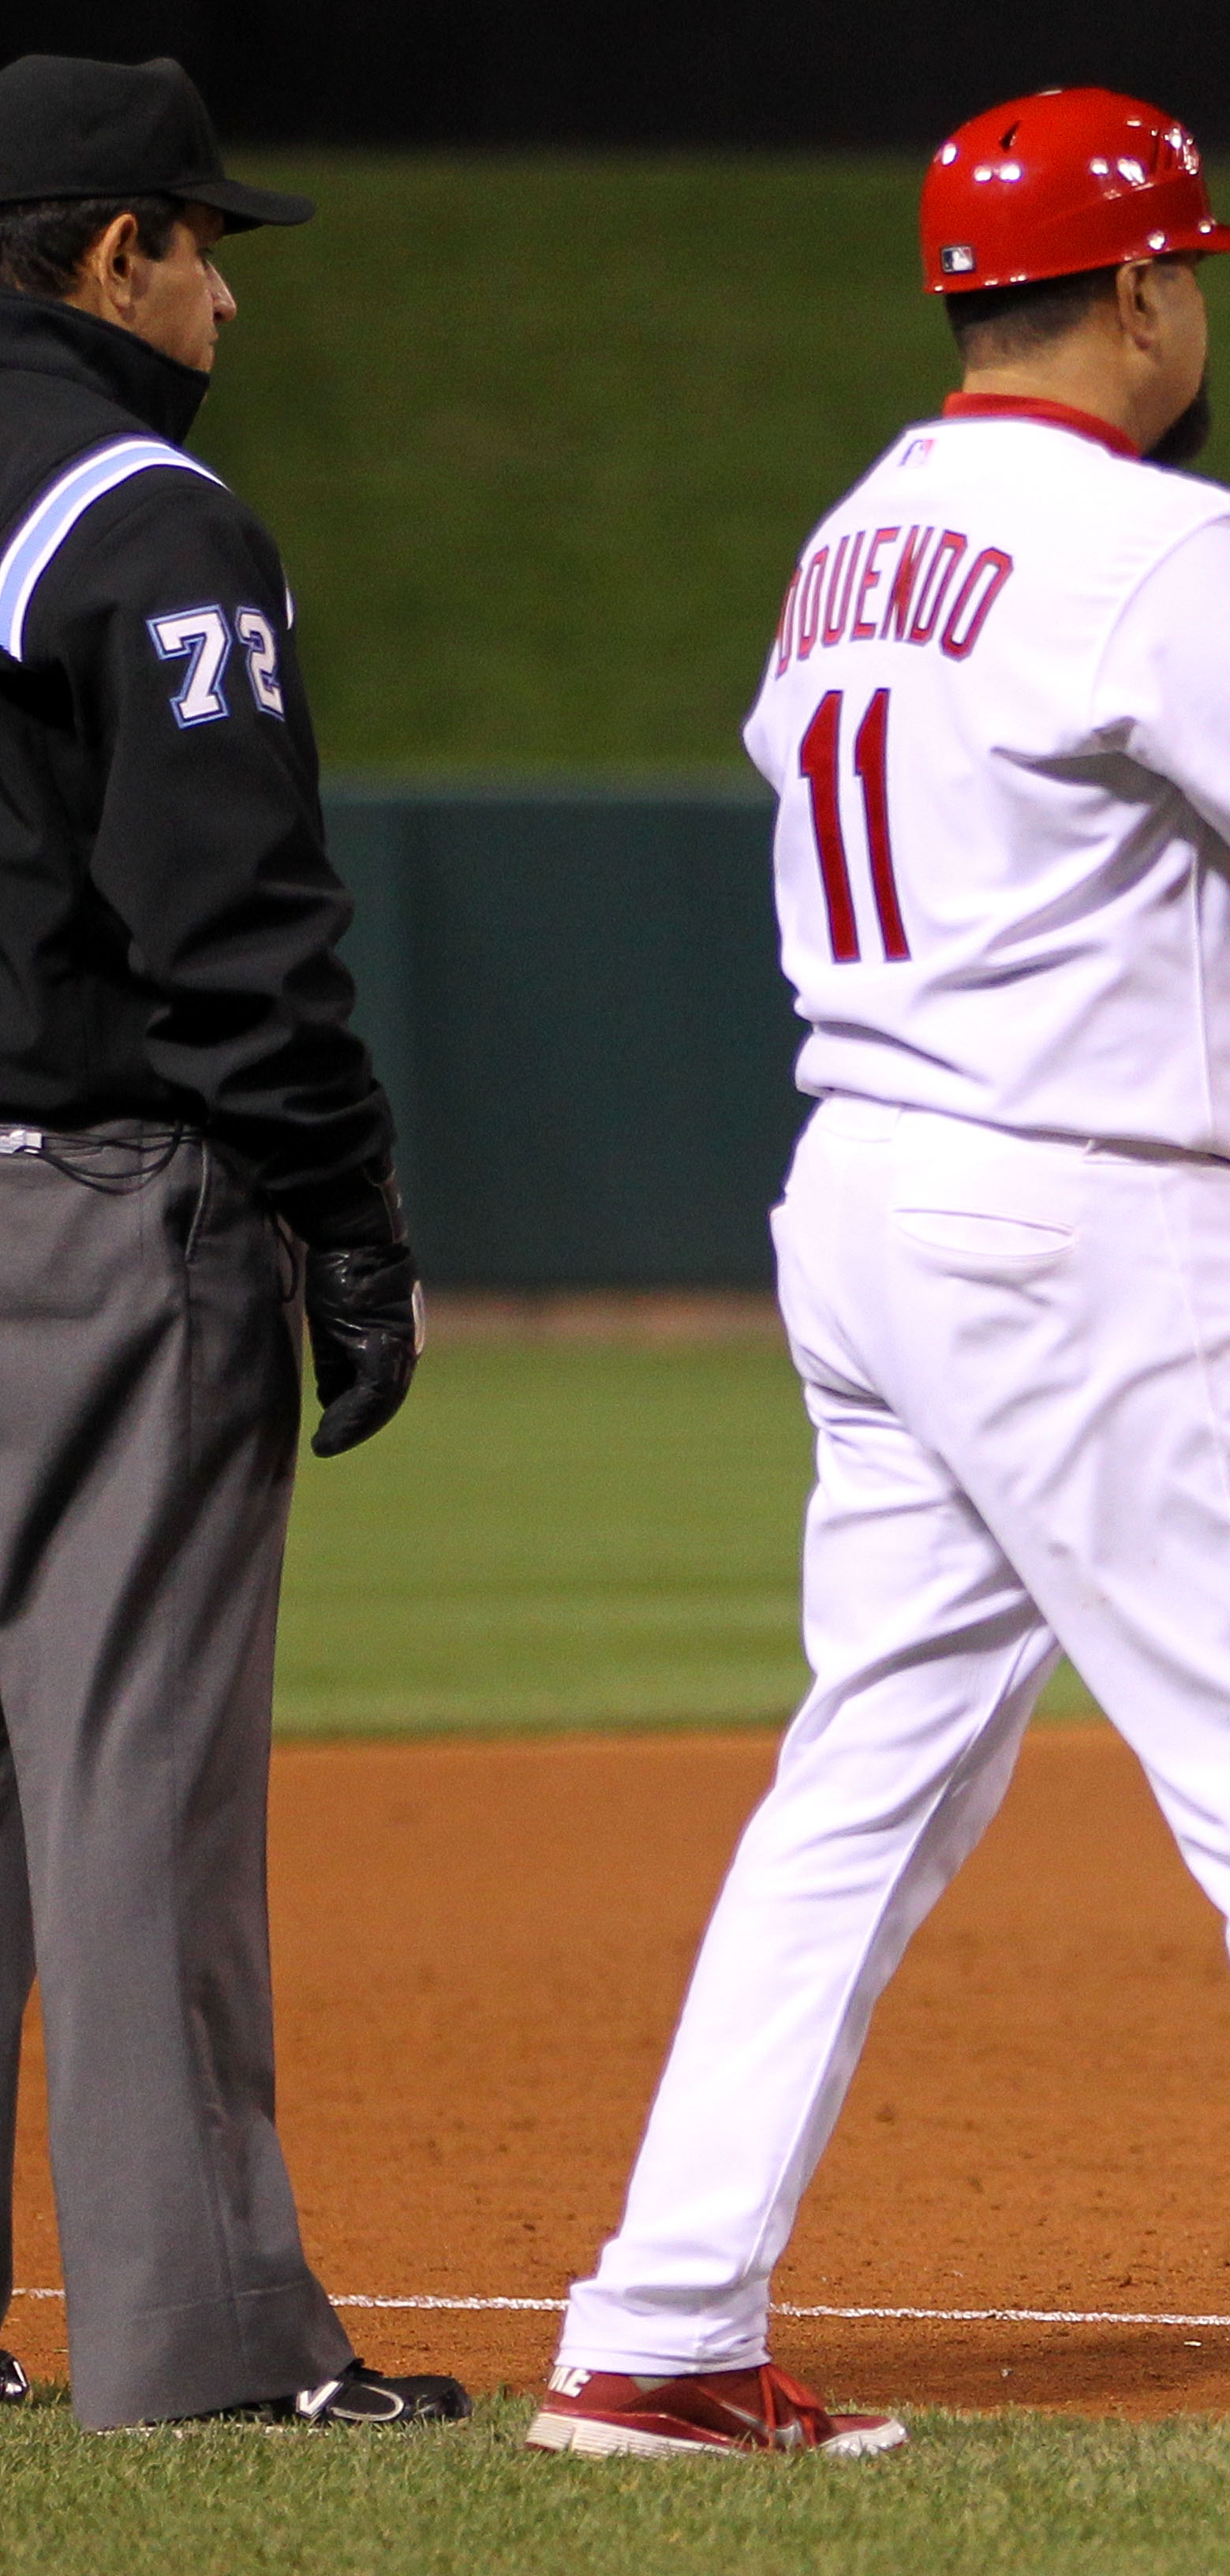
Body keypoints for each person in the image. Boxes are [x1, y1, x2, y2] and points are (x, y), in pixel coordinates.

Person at [531, 88, 1230, 2468]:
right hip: (1089, 1215)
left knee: (865, 1779)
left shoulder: (860, 531)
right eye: (1197, 280)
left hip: (870, 1190)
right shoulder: (1154, 542)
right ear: (1144, 291)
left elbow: (1182, 800)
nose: (1201, 318)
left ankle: (658, 2325)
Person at [0, 54, 457, 2433]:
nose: (220, 294)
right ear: (107, 257)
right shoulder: (138, 511)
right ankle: (199, 2353)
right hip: (90, 1214)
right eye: (200, 246)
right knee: (138, 1768)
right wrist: (344, 1215)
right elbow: (240, 927)